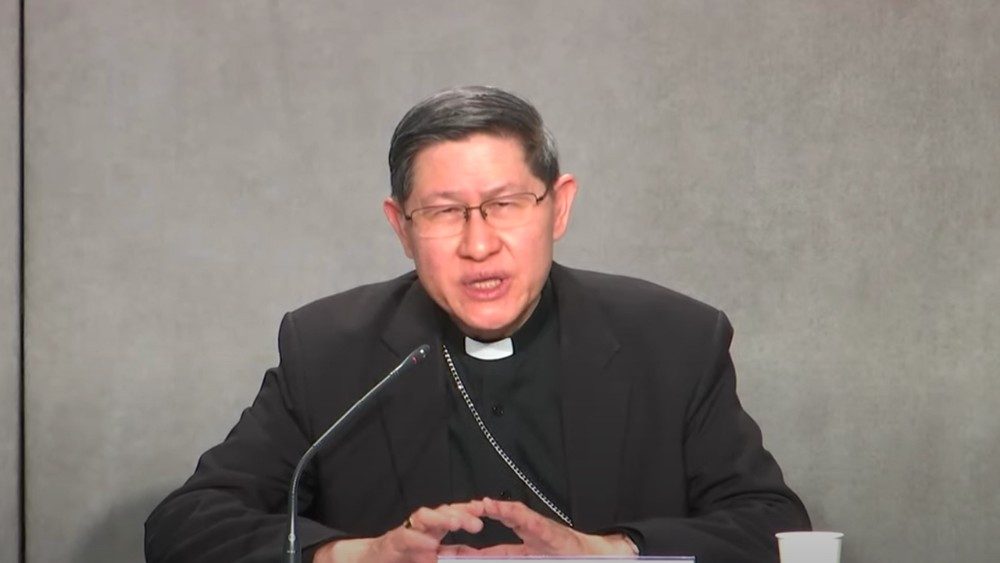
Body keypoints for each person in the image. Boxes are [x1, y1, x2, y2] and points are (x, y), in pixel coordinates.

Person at [145, 86, 810, 563]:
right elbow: (183, 526)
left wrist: (609, 551)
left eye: (506, 204)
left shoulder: (672, 341)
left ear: (559, 208)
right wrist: (352, 555)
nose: (479, 244)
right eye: (443, 212)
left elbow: (774, 526)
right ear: (401, 227)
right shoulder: (329, 349)